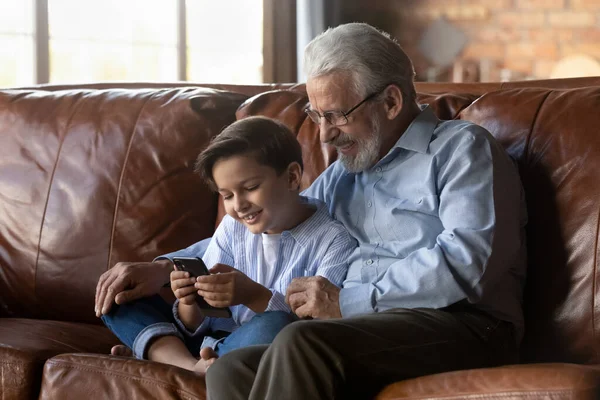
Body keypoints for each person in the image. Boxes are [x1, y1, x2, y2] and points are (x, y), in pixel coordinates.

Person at [202, 22, 528, 399]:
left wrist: (348, 302)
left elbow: (469, 260)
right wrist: (162, 269)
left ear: (391, 102)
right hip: (363, 329)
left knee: (301, 342)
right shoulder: (342, 174)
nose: (324, 134)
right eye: (316, 115)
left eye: (336, 115)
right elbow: (276, 220)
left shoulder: (462, 150)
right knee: (232, 368)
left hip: (468, 325)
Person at [97, 116, 355, 374]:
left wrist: (253, 295)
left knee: (276, 325)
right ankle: (186, 366)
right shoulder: (233, 226)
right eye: (227, 196)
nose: (239, 205)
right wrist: (189, 301)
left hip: (255, 344)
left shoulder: (333, 240)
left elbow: (313, 330)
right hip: (203, 345)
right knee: (119, 295)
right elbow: (201, 319)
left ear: (291, 177)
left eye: (251, 187)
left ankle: (159, 356)